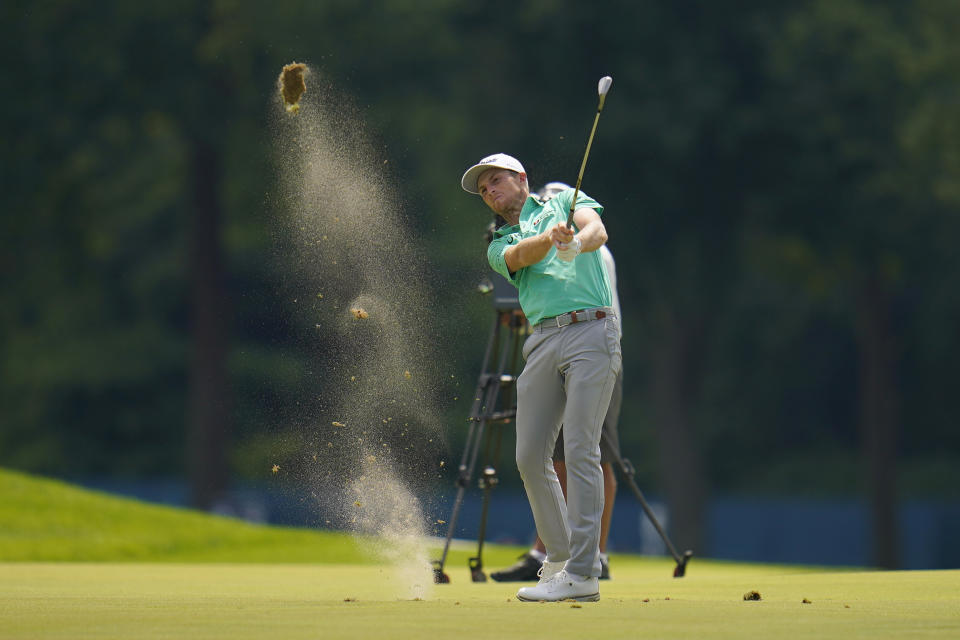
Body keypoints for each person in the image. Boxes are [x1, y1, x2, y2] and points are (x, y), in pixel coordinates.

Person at [461, 155, 622, 602]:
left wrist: (578, 242)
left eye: (496, 181)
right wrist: (552, 240)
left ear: (521, 180)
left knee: (580, 448)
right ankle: (559, 559)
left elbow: (596, 229)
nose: (490, 191)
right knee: (531, 456)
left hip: (592, 329)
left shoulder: (566, 201)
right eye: (484, 190)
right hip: (542, 340)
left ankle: (584, 573)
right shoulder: (500, 240)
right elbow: (519, 255)